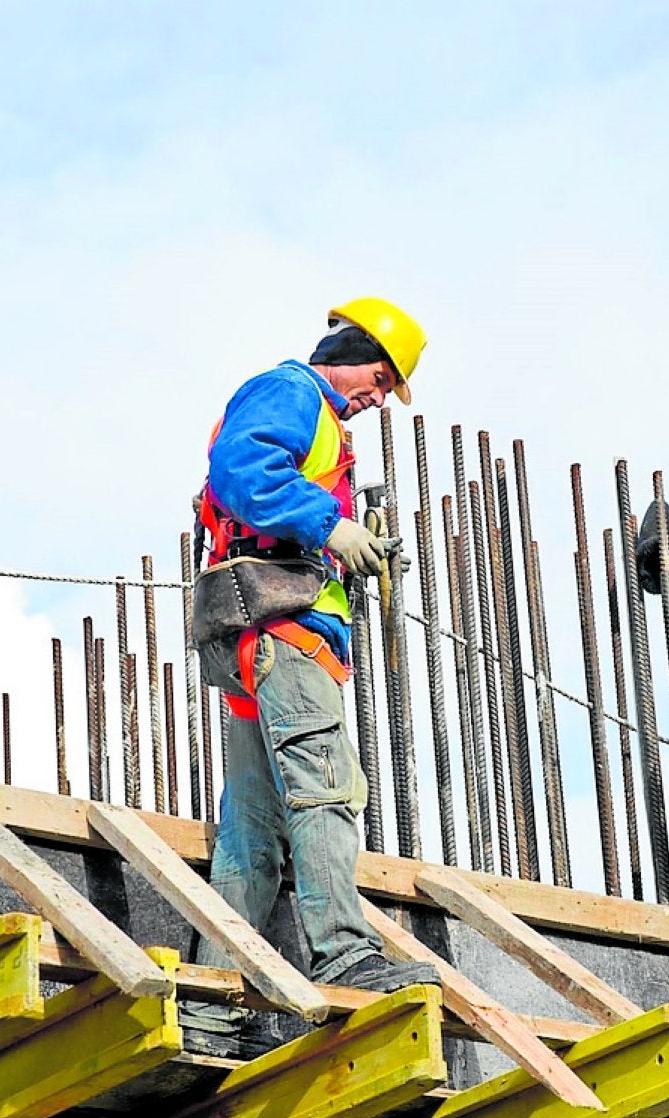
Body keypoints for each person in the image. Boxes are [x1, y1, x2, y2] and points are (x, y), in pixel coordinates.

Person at [183, 298, 437, 1056]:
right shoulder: (294, 391)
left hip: (262, 636)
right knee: (327, 789)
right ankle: (345, 952)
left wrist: (337, 533)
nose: (379, 397)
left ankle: (211, 1005)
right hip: (284, 632)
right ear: (349, 349)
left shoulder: (322, 420)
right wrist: (331, 526)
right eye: (380, 377)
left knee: (252, 835)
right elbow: (242, 470)